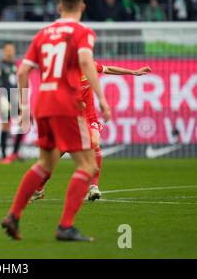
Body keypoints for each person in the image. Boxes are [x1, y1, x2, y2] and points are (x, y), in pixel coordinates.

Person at [1, 0, 111, 242]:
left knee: (44, 164)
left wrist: (24, 107)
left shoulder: (43, 34)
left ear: (59, 7)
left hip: (44, 104)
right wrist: (102, 98)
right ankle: (65, 226)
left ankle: (14, 215)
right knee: (88, 164)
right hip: (66, 104)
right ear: (82, 7)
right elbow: (85, 62)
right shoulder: (82, 32)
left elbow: (22, 72)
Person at [30, 62, 152, 202]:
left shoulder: (88, 64)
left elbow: (109, 69)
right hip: (68, 122)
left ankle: (94, 187)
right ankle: (39, 189)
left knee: (94, 142)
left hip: (89, 119)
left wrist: (133, 72)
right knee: (51, 161)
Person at [0, 42, 23, 164]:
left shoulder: (14, 65)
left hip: (14, 97)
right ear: (4, 51)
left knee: (23, 122)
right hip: (4, 97)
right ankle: (3, 156)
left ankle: (15, 152)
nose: (10, 52)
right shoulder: (0, 66)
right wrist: (4, 99)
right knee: (5, 125)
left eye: (12, 49)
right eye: (8, 50)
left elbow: (15, 83)